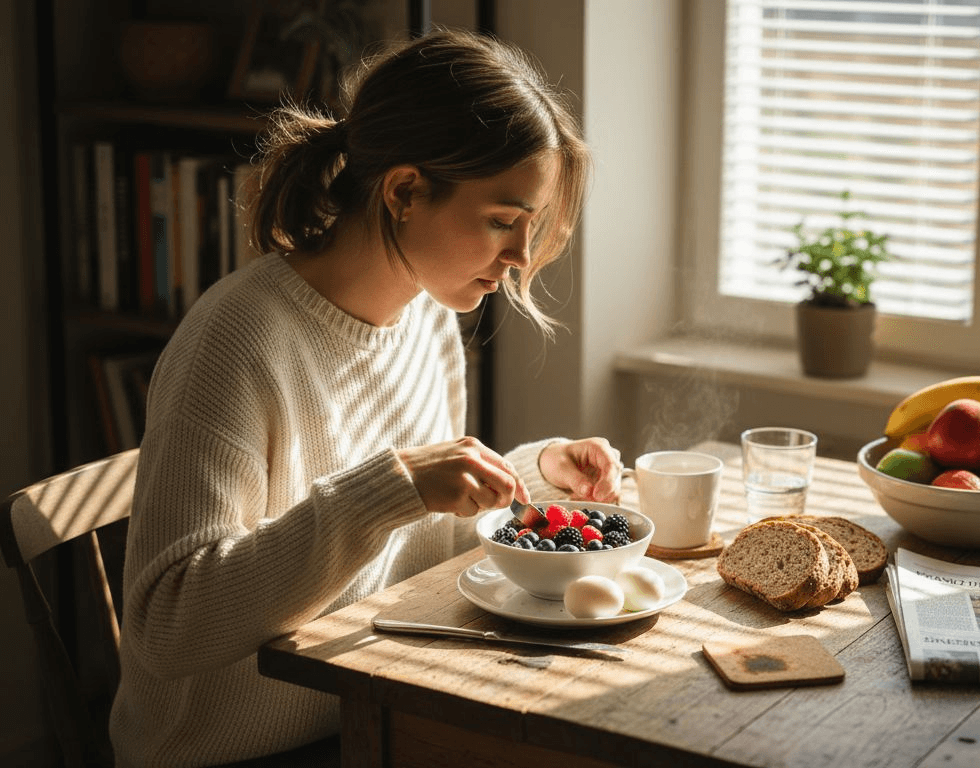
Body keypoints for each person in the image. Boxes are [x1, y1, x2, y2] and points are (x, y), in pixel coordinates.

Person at [110, 27, 620, 767]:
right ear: (405, 191)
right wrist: (388, 490)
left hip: (379, 711)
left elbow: (418, 541)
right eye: (502, 221)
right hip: (245, 753)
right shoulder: (236, 343)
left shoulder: (427, 317)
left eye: (530, 227)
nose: (517, 258)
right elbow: (168, 625)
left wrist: (533, 477)